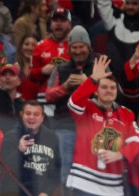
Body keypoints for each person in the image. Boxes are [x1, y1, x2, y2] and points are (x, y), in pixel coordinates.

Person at [66, 55, 139, 196]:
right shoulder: (86, 108)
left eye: (112, 88)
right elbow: (73, 103)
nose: (109, 90)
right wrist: (93, 79)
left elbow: (137, 142)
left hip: (113, 190)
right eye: (104, 87)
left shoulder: (126, 114)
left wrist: (119, 154)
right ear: (96, 90)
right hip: (85, 186)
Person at [45, 25, 94, 186]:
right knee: (65, 170)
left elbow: (110, 92)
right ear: (69, 48)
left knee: (89, 170)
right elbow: (49, 95)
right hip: (64, 125)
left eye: (81, 47)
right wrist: (65, 87)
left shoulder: (99, 65)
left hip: (92, 126)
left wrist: (88, 83)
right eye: (74, 47)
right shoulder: (60, 68)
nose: (78, 51)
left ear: (88, 47)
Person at [0, 100, 61, 196]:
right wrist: (19, 151)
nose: (32, 117)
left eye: (36, 114)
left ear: (43, 117)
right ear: (22, 114)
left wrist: (46, 194)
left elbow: (56, 171)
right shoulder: (11, 136)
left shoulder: (52, 138)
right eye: (28, 113)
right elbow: (4, 169)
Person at [97, 0, 139, 75]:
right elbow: (103, 4)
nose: (130, 7)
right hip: (115, 77)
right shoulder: (114, 19)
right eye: (127, 3)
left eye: (134, 3)